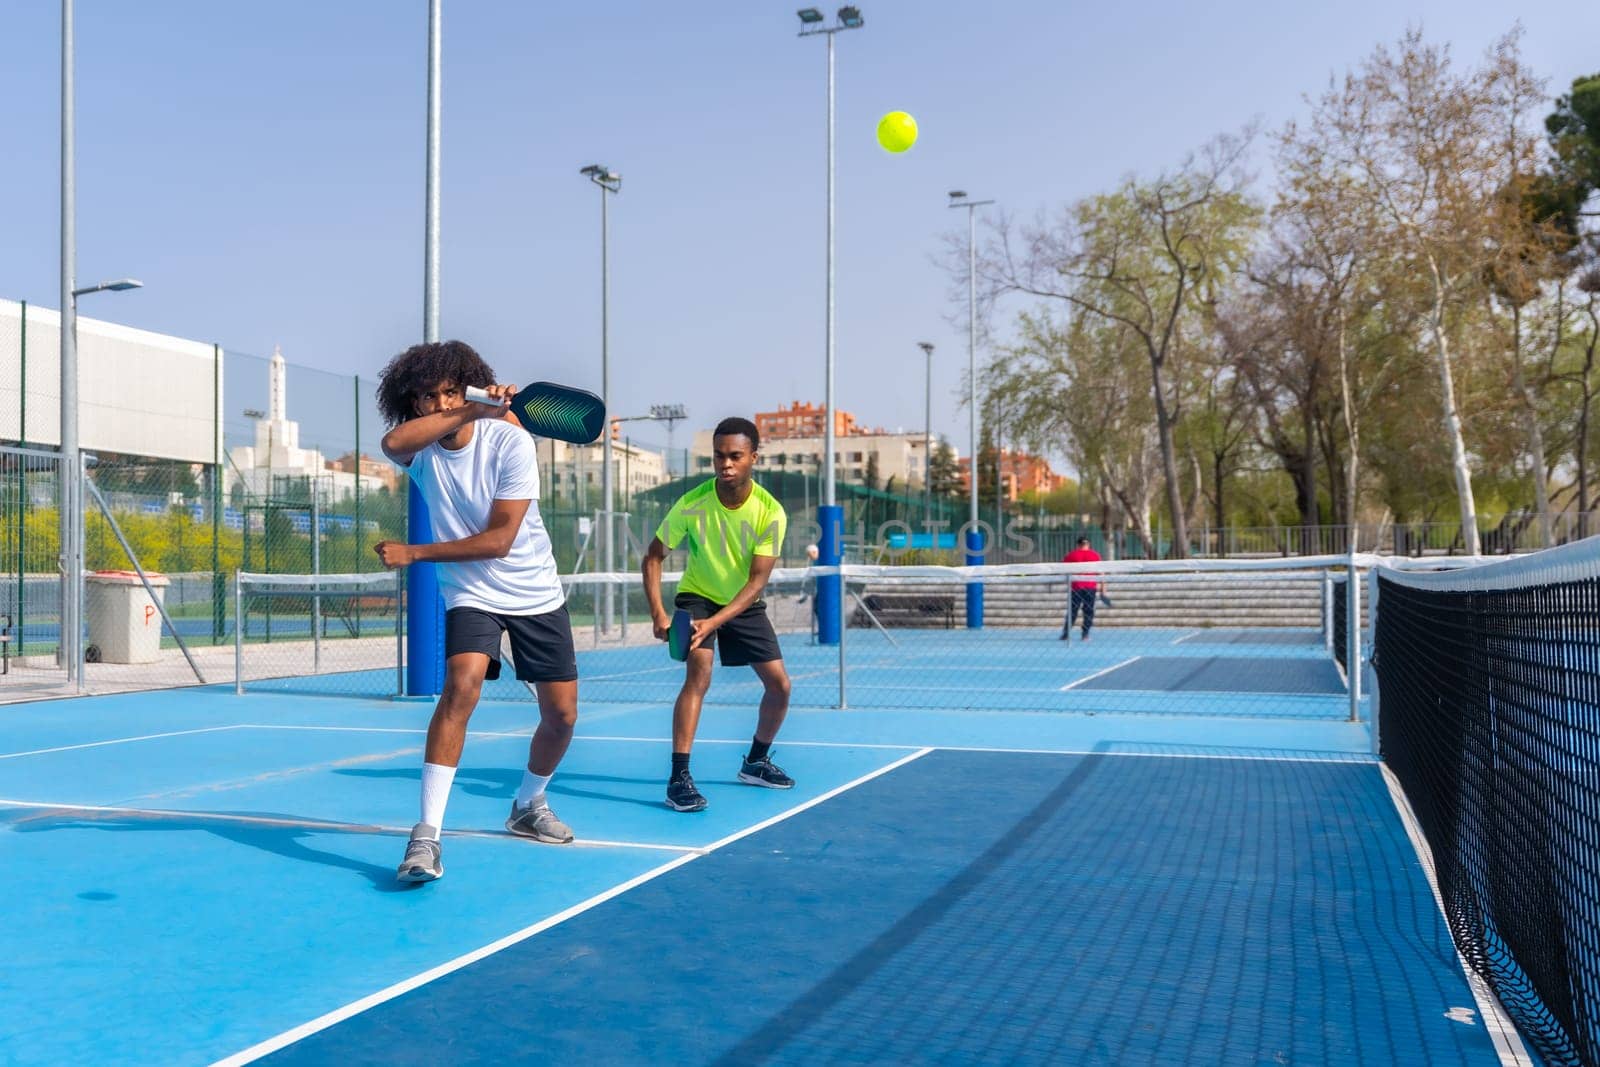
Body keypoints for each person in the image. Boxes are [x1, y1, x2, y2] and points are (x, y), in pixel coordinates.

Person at [373, 340, 579, 884]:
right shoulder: (420, 451)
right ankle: (425, 837)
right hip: (471, 593)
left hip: (535, 591)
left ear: (467, 385)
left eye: (449, 392)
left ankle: (528, 805)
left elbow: (499, 540)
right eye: (427, 397)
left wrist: (415, 553)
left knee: (561, 717)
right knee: (461, 686)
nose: (438, 405)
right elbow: (391, 441)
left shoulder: (509, 441)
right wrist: (467, 407)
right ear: (412, 402)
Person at [642, 417, 793, 812]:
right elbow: (653, 556)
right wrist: (659, 613)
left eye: (735, 456)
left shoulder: (770, 511)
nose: (726, 464)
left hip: (742, 601)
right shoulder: (692, 503)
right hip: (697, 597)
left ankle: (756, 762)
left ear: (753, 458)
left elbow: (757, 582)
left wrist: (716, 623)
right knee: (700, 673)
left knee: (780, 687)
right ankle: (679, 779)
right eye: (719, 456)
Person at [1061, 536, 1102, 642]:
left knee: (1072, 610)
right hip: (1090, 587)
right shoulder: (1095, 555)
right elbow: (1101, 571)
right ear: (1088, 544)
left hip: (1076, 587)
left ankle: (1066, 633)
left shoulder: (1071, 555)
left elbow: (1064, 570)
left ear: (1078, 545)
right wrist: (1103, 587)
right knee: (1088, 611)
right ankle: (1085, 634)